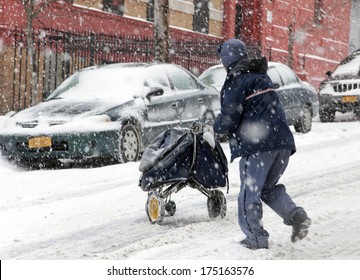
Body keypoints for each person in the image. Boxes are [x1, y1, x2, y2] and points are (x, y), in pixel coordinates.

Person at [213, 38, 311, 250]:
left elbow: (230, 116)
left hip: (258, 144)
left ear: (227, 58)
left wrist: (215, 127)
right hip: (282, 143)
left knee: (250, 192)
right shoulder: (261, 76)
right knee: (267, 188)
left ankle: (255, 239)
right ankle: (296, 217)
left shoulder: (237, 80)